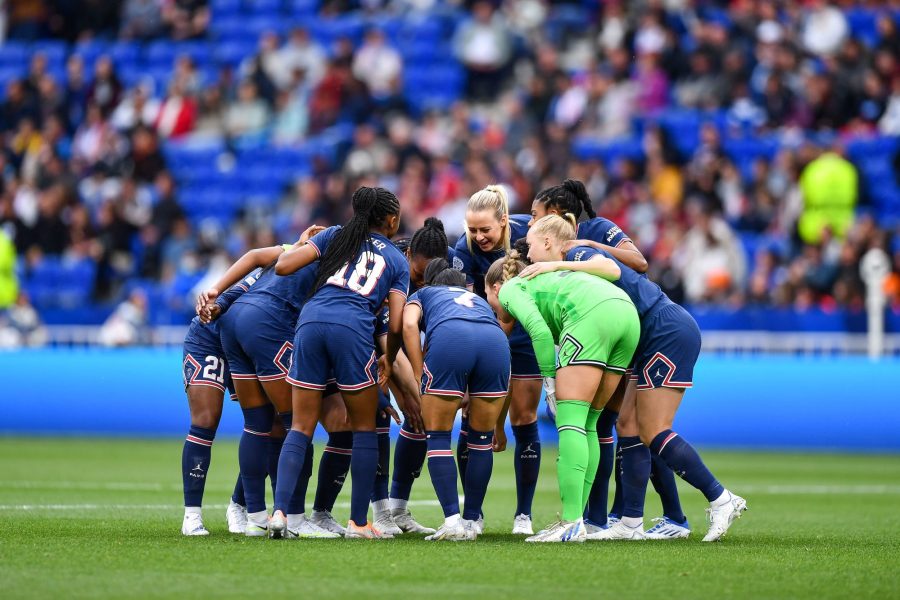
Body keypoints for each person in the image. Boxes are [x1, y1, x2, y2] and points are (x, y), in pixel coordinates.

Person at [538, 218, 749, 542]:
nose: (528, 251)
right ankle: (631, 522)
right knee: (628, 426)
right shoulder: (574, 259)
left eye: (532, 241)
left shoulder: (575, 252)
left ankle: (721, 498)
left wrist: (554, 265)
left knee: (654, 429)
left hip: (663, 331)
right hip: (645, 337)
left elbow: (610, 270)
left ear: (551, 240)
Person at [530, 178, 684, 537]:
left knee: (637, 427)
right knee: (614, 426)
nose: (531, 224)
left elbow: (639, 262)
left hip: (632, 329)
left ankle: (649, 514)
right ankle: (607, 516)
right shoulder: (553, 249)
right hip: (614, 333)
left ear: (555, 215)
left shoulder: (591, 235)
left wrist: (588, 244)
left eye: (536, 217)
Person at [485, 215, 640, 543]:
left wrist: (550, 382)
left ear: (495, 287)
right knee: (591, 424)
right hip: (626, 313)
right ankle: (578, 519)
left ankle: (570, 522)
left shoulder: (514, 287)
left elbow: (540, 333)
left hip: (591, 317)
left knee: (570, 423)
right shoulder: (561, 274)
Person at [272, 186, 409, 539]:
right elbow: (395, 324)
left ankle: (280, 515)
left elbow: (283, 265)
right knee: (364, 428)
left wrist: (305, 245)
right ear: (392, 220)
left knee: (300, 426)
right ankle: (359, 523)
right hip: (352, 330)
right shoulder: (396, 260)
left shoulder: (335, 235)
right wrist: (388, 358)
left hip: (310, 322)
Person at [198, 224, 340, 539]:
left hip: (233, 321)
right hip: (268, 325)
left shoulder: (288, 251)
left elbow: (251, 258)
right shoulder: (329, 266)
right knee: (297, 424)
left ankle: (255, 516)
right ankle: (296, 518)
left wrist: (216, 290)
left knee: (258, 424)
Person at [453, 184, 542, 535]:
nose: (478, 236)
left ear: (504, 222)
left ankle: (524, 515)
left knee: (525, 417)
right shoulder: (464, 250)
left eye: (485, 229)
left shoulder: (531, 234)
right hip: (487, 333)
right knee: (475, 418)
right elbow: (469, 306)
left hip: (527, 335)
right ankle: (472, 512)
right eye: (472, 229)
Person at [402, 258, 511, 540]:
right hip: (495, 341)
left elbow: (409, 326)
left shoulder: (423, 293)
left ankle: (452, 522)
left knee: (438, 436)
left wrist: (417, 372)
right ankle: (473, 520)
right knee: (481, 440)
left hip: (451, 337)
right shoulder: (477, 299)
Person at [180, 269, 260, 536]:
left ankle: (238, 505)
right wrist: (216, 304)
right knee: (205, 421)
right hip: (211, 339)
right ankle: (192, 515)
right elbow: (245, 282)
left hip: (252, 344)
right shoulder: (283, 261)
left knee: (266, 424)